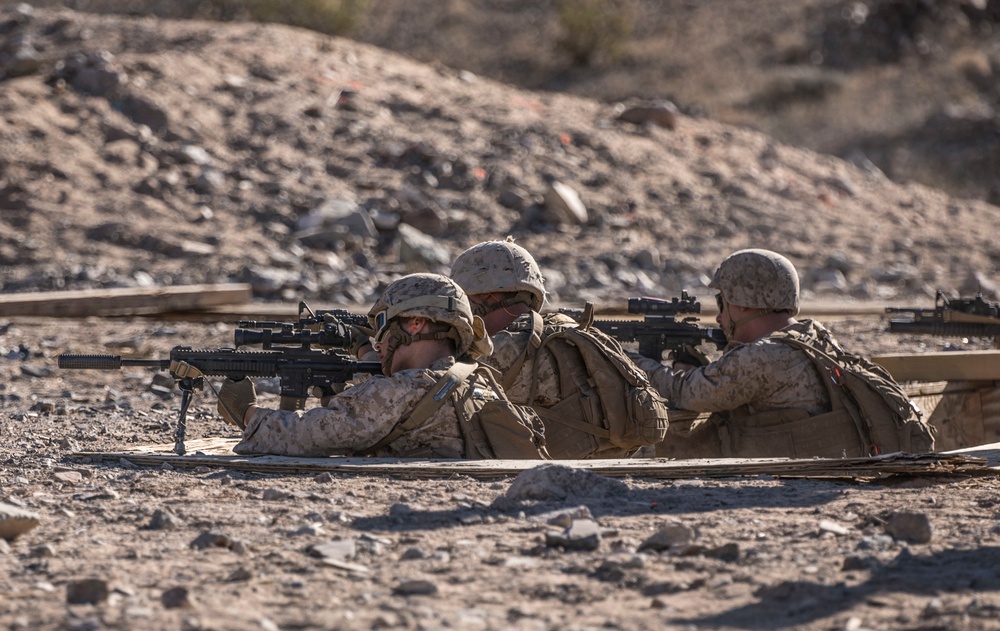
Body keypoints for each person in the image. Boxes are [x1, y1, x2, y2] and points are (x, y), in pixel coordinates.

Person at [630, 248, 934, 459]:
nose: (720, 318)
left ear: (743, 304)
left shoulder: (762, 357)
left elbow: (687, 394)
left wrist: (637, 364)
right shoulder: (811, 335)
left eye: (723, 303)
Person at [215, 273, 536, 458]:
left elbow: (305, 435)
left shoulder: (398, 392)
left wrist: (245, 412)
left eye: (383, 324)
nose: (378, 341)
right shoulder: (476, 381)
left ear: (414, 325)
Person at [450, 237, 669, 459]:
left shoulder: (504, 348)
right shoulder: (572, 331)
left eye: (465, 300)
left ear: (487, 296)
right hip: (612, 465)